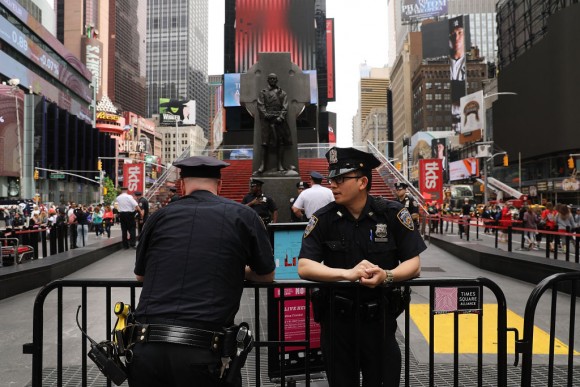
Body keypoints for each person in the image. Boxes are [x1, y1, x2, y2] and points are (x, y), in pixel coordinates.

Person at [128, 155, 276, 387]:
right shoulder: (244, 216)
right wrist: (238, 270)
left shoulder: (159, 217)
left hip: (148, 347)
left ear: (183, 184)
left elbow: (141, 275)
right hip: (202, 349)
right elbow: (267, 275)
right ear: (219, 185)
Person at [298, 147, 426, 387]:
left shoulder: (391, 214)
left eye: (340, 179)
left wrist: (387, 275)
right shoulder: (323, 218)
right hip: (337, 324)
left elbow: (414, 264)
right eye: (331, 179)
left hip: (380, 323)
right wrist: (346, 274)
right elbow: (304, 266)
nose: (333, 185)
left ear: (362, 182)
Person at [256, 73, 291, 173]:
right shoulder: (263, 92)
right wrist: (265, 114)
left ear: (276, 80)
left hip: (278, 120)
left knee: (281, 142)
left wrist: (281, 116)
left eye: (274, 79)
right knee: (264, 143)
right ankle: (262, 165)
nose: (272, 80)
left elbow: (285, 106)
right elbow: (260, 105)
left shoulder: (282, 93)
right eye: (270, 78)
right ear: (268, 80)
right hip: (266, 120)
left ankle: (280, 165)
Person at [449, 18, 466, 82]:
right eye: (453, 33)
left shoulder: (467, 61)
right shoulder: (445, 62)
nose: (456, 38)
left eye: (460, 32)